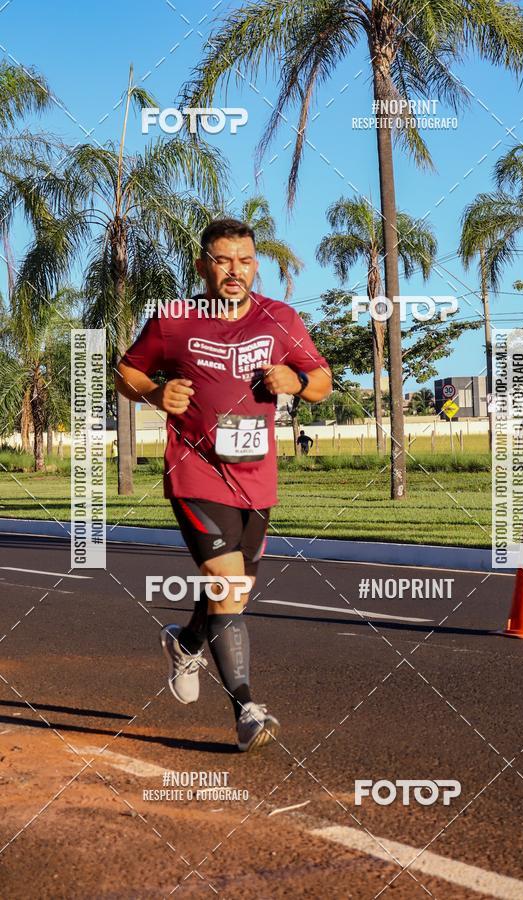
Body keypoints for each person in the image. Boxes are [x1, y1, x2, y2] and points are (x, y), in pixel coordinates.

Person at [116, 219, 332, 752]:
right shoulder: (174, 320)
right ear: (202, 266)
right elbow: (126, 372)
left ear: (256, 264)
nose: (234, 271)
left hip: (256, 476)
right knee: (226, 582)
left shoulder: (279, 319)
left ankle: (187, 642)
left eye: (244, 260)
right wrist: (155, 392)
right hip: (194, 469)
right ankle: (246, 709)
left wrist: (298, 382)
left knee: (232, 591)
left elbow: (322, 382)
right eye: (222, 260)